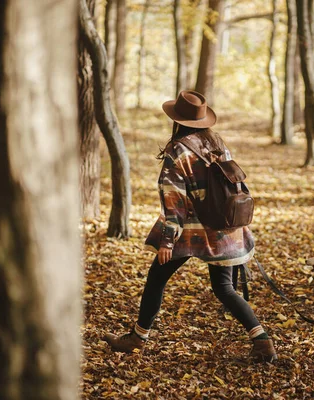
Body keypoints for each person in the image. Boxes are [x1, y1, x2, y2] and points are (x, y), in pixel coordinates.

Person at [103, 90, 277, 363]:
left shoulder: (178, 150)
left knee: (157, 278)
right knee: (224, 289)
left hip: (191, 231)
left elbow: (175, 200)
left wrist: (167, 241)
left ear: (176, 120)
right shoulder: (217, 143)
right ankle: (263, 342)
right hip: (226, 227)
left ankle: (137, 338)